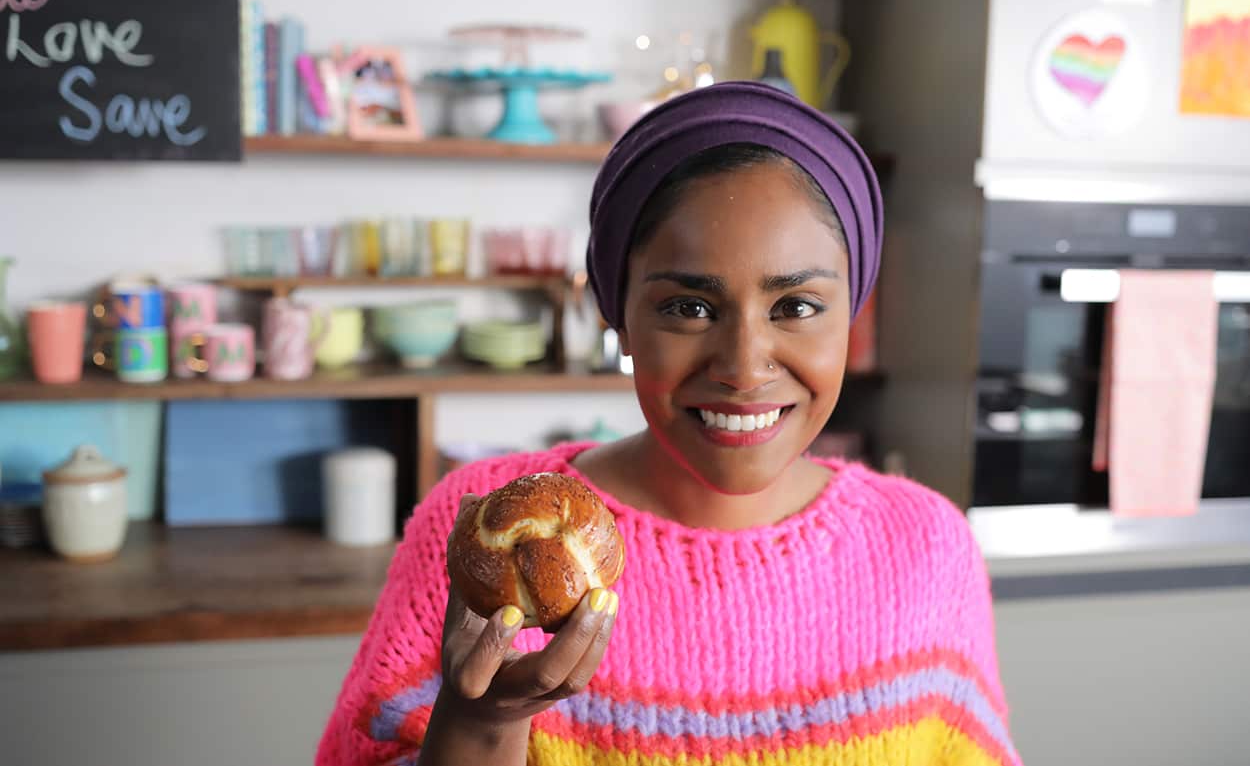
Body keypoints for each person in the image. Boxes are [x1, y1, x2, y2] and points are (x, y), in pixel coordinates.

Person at [316, 81, 1021, 766]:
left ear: (852, 314)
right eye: (689, 307)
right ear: (619, 317)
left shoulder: (926, 549)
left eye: (797, 306)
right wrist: (479, 724)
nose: (744, 367)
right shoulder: (483, 544)